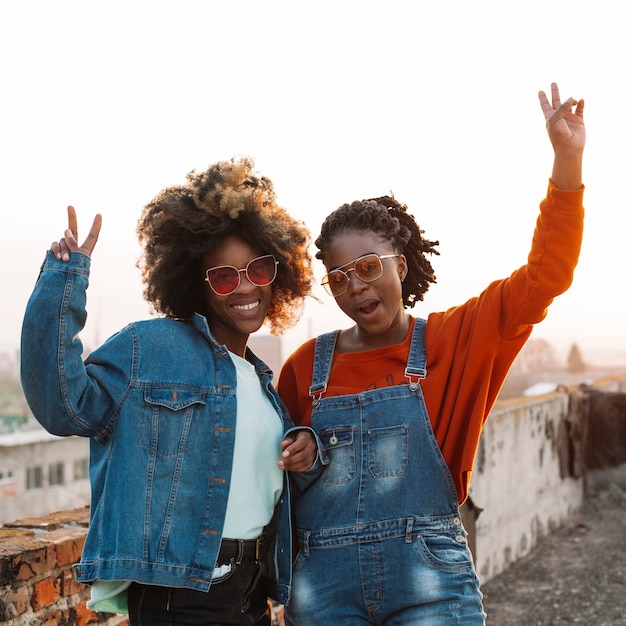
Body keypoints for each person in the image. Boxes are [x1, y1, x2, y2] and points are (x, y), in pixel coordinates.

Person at [277, 82, 585, 625]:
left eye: (370, 267)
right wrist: (299, 447)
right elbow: (279, 476)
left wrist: (567, 159)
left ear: (401, 262)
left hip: (430, 582)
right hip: (323, 589)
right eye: (340, 278)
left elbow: (546, 275)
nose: (356, 288)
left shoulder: (458, 338)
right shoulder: (304, 367)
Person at [20, 156, 320, 626]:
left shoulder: (265, 386)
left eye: (258, 270)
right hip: (182, 594)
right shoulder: (151, 347)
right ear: (195, 285)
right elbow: (63, 406)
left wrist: (304, 448)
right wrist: (65, 278)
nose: (244, 287)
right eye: (224, 275)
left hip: (252, 595)